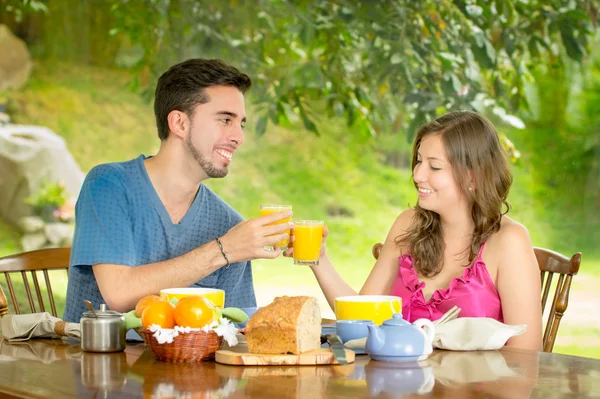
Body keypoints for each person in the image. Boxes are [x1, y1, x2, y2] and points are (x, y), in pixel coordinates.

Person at [287, 110, 543, 350]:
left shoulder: (509, 241)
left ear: (473, 177)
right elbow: (361, 316)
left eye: (435, 166)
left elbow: (527, 356)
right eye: (419, 161)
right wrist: (319, 260)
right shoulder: (409, 224)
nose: (418, 174)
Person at [63, 58, 292, 322]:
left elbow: (236, 327)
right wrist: (224, 250)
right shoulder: (109, 185)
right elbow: (119, 293)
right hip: (98, 361)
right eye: (225, 119)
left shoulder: (229, 225)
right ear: (179, 123)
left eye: (240, 124)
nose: (238, 137)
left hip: (190, 364)